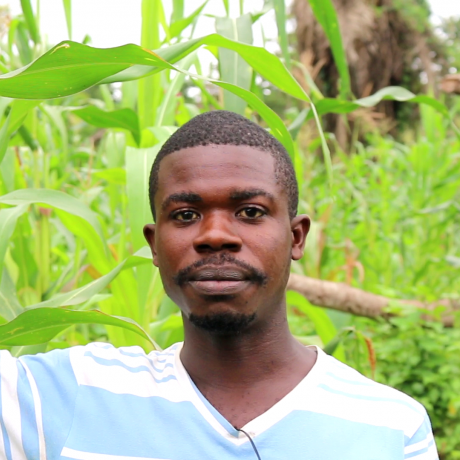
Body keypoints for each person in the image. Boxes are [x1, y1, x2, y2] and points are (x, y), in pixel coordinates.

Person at [0, 111, 437, 460]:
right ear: (155, 245)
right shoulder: (60, 395)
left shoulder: (390, 427)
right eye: (186, 215)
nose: (214, 235)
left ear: (296, 237)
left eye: (249, 211)